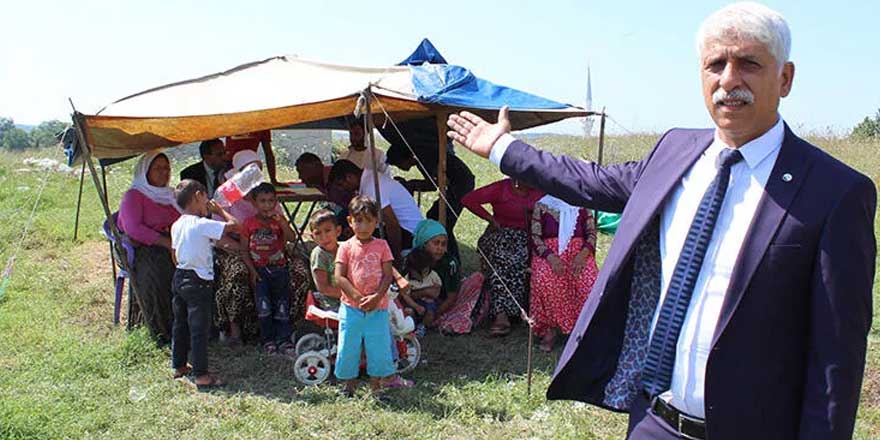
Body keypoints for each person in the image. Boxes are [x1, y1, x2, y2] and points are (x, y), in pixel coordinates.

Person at [446, 3, 876, 439]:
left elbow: (835, 359)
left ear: (785, 78)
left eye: (749, 63)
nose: (729, 80)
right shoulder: (675, 150)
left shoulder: (834, 192)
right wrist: (504, 149)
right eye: (716, 64)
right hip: (654, 422)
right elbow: (592, 181)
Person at [214, 150, 310, 345]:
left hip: (271, 250)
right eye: (247, 170)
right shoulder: (225, 195)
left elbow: (285, 233)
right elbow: (217, 235)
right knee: (237, 273)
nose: (252, 174)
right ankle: (235, 330)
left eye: (257, 169)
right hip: (236, 247)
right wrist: (246, 251)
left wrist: (278, 248)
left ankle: (289, 328)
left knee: (299, 269)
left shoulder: (266, 195)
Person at [334, 196, 410, 397]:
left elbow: (387, 275)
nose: (363, 226)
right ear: (350, 221)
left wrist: (376, 297)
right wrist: (357, 297)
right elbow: (339, 277)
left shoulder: (382, 246)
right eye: (358, 221)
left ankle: (376, 387)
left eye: (368, 221)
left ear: (377, 222)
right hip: (351, 307)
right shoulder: (345, 247)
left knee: (378, 347)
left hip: (378, 308)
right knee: (348, 346)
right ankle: (348, 386)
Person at [169, 179, 238, 388]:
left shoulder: (177, 224)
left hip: (180, 275)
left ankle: (179, 364)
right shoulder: (201, 224)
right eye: (206, 197)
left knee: (180, 323)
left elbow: (174, 254)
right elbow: (235, 226)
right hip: (199, 280)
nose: (208, 201)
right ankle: (201, 374)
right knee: (199, 328)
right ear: (198, 196)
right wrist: (220, 211)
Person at [460, 178, 544, 337]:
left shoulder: (540, 191)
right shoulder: (501, 188)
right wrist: (491, 219)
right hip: (500, 233)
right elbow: (468, 200)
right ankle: (502, 314)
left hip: (527, 237)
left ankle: (512, 311)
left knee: (518, 259)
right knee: (502, 258)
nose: (519, 183)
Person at [117, 150, 181, 341]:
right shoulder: (134, 196)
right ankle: (163, 330)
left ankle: (194, 325)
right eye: (158, 168)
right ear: (145, 171)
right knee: (158, 270)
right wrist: (166, 243)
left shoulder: (170, 195)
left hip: (173, 241)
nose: (164, 172)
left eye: (167, 168)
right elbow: (133, 228)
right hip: (144, 246)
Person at [529, 195, 598, 352]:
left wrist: (583, 255)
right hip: (550, 254)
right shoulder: (542, 205)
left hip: (579, 254)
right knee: (544, 279)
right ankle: (549, 330)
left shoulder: (582, 204)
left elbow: (592, 234)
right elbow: (535, 237)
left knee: (589, 283)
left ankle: (582, 329)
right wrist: (551, 257)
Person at [385, 141, 475, 262]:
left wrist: (411, 184)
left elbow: (437, 183)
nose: (399, 168)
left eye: (398, 164)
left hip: (461, 184)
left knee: (443, 223)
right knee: (433, 216)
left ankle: (451, 261)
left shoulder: (423, 158)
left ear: (404, 159)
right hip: (457, 183)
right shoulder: (420, 157)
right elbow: (433, 183)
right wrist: (412, 184)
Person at [329, 159, 424, 264]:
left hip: (410, 234)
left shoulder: (371, 187)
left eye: (341, 185)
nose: (343, 189)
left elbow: (392, 223)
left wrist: (395, 257)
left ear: (349, 177)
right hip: (406, 230)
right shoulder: (369, 178)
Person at [240, 183, 298, 355]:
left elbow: (292, 237)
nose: (267, 205)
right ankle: (268, 340)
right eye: (262, 201)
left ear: (275, 202)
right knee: (263, 307)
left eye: (271, 201)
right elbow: (244, 250)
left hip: (279, 269)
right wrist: (252, 271)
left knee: (282, 305)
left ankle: (284, 339)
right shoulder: (249, 223)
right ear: (254, 203)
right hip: (260, 271)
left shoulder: (279, 220)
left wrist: (281, 222)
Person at [399, 247, 442, 336]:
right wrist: (416, 306)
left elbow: (438, 288)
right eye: (421, 272)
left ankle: (423, 326)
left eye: (426, 270)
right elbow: (405, 295)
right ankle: (411, 325)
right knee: (408, 311)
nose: (425, 274)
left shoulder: (433, 276)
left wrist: (433, 294)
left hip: (429, 302)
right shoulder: (407, 279)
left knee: (430, 312)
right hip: (413, 302)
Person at [307, 209, 343, 312]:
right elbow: (323, 288)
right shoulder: (319, 255)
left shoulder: (345, 248)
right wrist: (350, 294)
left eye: (327, 231)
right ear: (312, 237)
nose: (324, 237)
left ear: (338, 231)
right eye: (318, 233)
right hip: (332, 303)